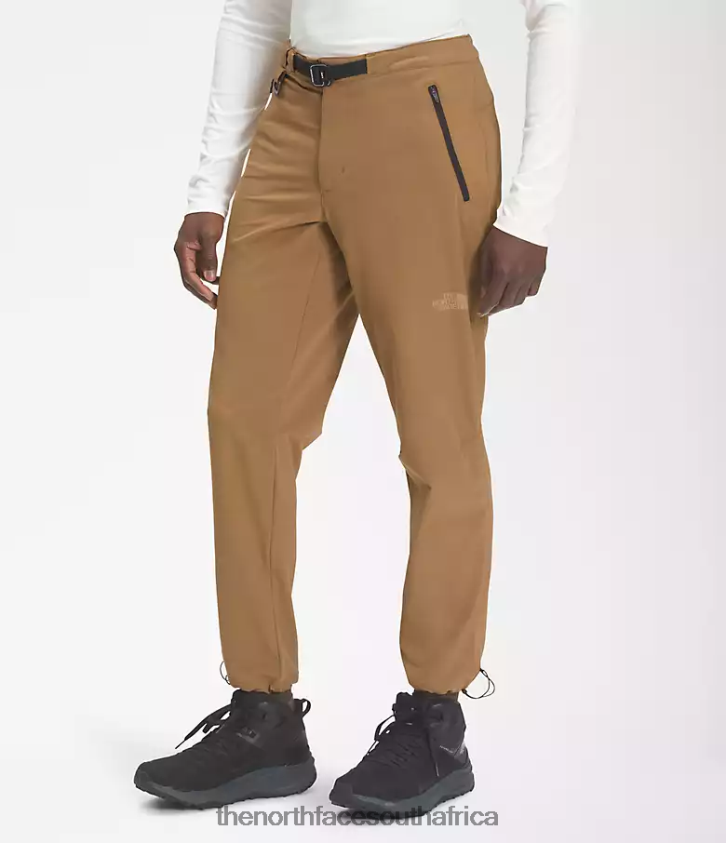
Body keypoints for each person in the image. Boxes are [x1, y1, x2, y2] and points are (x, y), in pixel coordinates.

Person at [134, 0, 579, 816]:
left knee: (438, 432)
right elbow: (255, 10)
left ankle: (436, 722)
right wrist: (210, 185)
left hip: (422, 115)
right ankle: (264, 713)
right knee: (246, 419)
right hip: (292, 115)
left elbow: (556, 11)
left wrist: (531, 209)